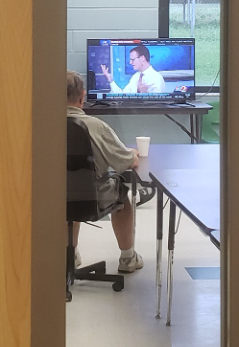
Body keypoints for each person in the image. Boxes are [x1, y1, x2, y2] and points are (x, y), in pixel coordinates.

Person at [67, 70, 143, 273]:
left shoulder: (41, 126)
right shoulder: (97, 126)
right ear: (82, 96)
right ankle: (128, 258)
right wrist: (133, 154)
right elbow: (126, 162)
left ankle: (70, 255)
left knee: (68, 195)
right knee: (121, 194)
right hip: (90, 197)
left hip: (50, 198)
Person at [99, 43, 166, 94]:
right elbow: (122, 95)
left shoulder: (157, 78)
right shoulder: (135, 77)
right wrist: (110, 80)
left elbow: (158, 103)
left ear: (142, 58)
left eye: (132, 59)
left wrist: (146, 93)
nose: (130, 62)